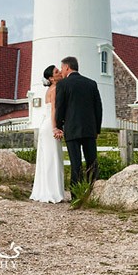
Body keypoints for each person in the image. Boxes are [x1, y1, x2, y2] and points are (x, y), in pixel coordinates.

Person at [54, 56, 103, 197]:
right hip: (89, 129)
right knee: (92, 163)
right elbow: (98, 108)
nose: (61, 71)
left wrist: (58, 125)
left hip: (72, 129)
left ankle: (76, 195)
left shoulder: (63, 85)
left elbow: (60, 107)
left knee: (76, 164)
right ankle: (94, 193)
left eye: (62, 68)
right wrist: (97, 129)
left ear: (67, 67)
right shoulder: (91, 83)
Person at [30, 65, 66, 203]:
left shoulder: (49, 90)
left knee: (48, 158)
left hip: (44, 125)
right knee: (53, 158)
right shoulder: (56, 89)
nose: (60, 73)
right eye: (57, 72)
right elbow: (53, 110)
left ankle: (45, 190)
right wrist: (55, 127)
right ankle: (53, 192)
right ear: (51, 78)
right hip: (50, 125)